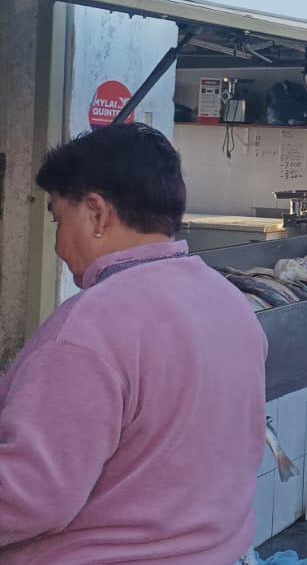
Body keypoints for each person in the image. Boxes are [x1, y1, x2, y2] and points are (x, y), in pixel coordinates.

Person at [0, 124, 267, 563]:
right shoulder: (228, 301)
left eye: (58, 218)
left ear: (97, 214)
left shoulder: (91, 328)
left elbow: (31, 496)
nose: (58, 244)